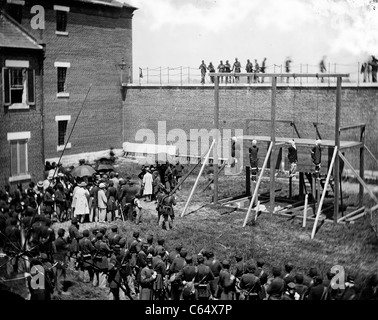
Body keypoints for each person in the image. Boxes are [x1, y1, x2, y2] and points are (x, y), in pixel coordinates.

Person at [53, 228, 70, 295]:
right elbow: (67, 247)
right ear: (62, 233)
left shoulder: (57, 240)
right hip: (60, 259)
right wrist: (70, 243)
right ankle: (59, 290)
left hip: (56, 258)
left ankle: (56, 289)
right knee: (60, 274)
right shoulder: (60, 241)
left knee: (57, 274)